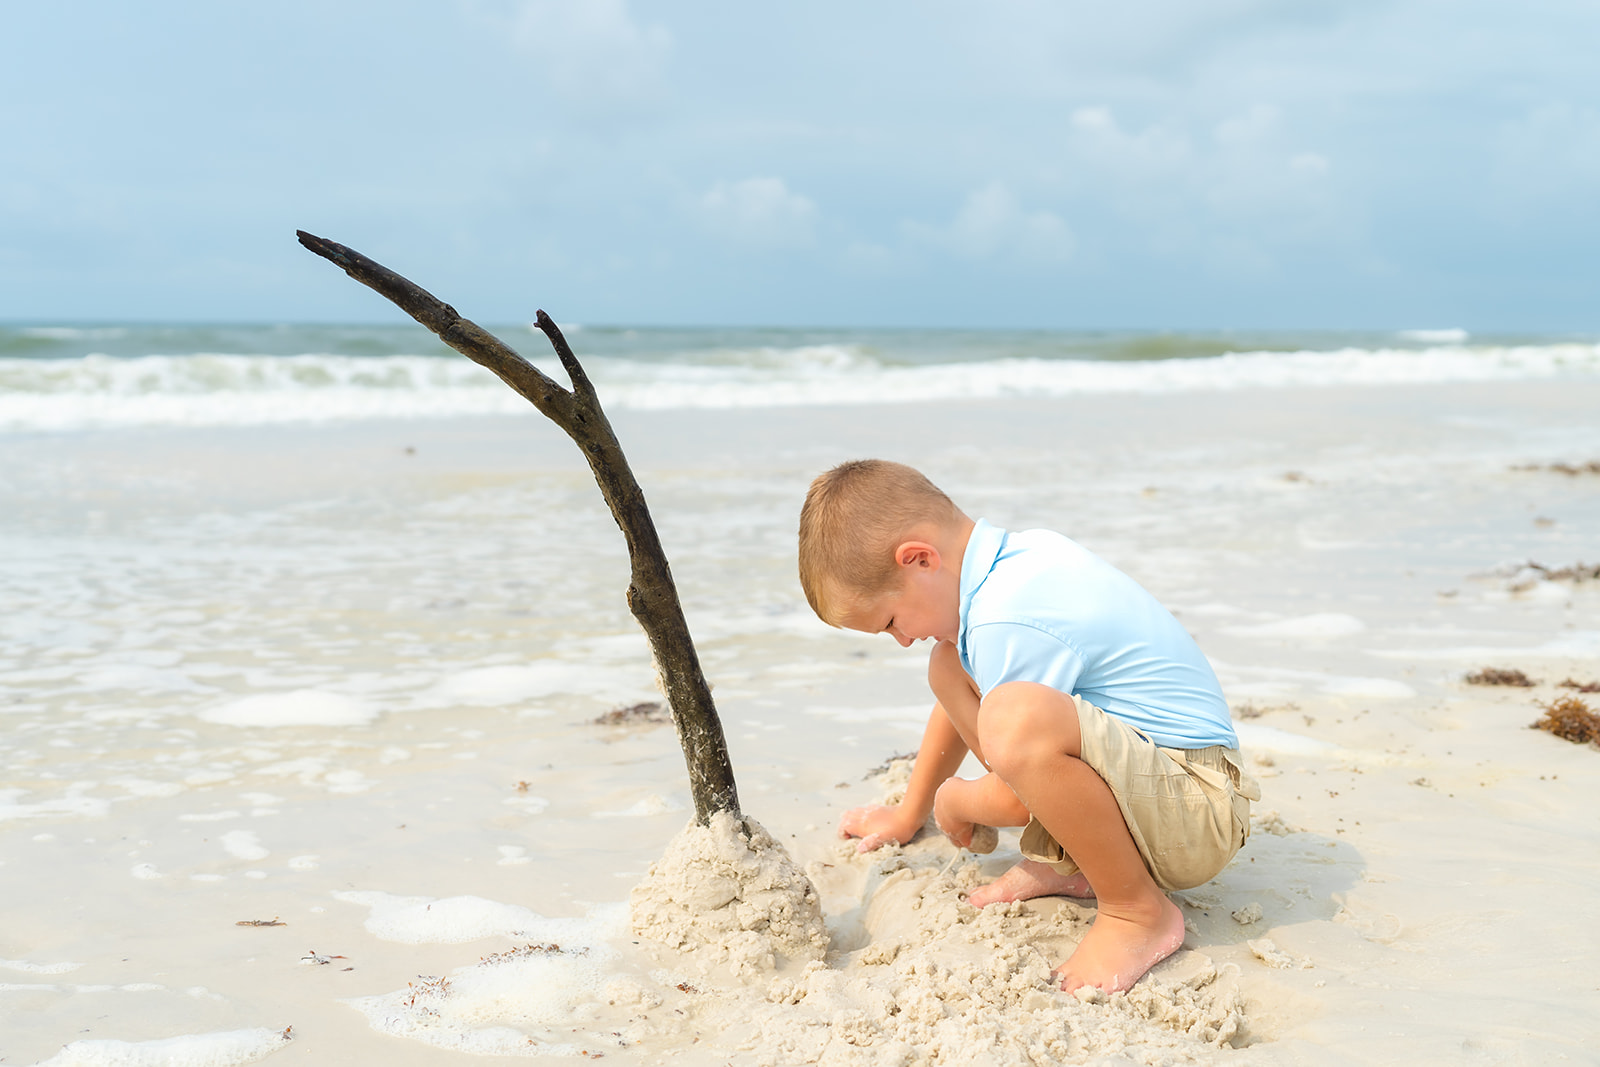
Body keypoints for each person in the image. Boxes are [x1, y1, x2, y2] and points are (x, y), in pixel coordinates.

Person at [798, 459, 1258, 993]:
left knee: (1013, 719)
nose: (901, 640)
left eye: (891, 622)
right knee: (949, 665)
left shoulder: (1006, 615)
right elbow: (968, 702)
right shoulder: (1015, 563)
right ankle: (1081, 861)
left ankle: (1136, 911)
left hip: (1196, 810)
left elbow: (1015, 785)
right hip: (1164, 786)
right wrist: (909, 811)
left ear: (920, 559)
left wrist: (956, 800)